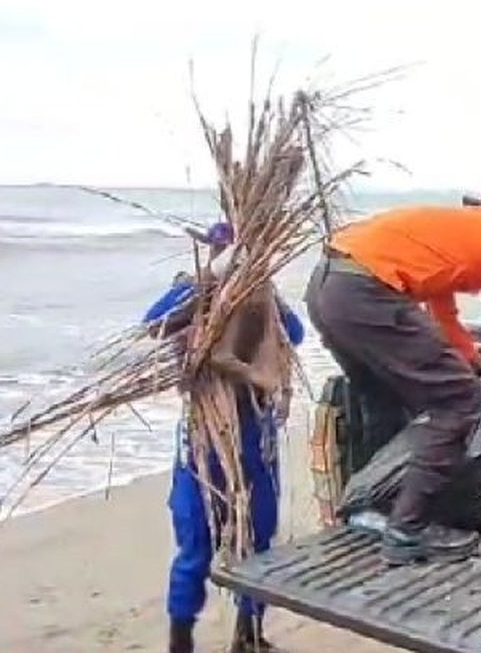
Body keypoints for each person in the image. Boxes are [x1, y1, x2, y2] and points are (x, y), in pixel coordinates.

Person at [305, 177, 481, 565]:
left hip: (326, 288)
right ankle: (406, 530)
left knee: (382, 397)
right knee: (460, 402)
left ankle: (371, 506)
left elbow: (444, 318)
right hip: (366, 292)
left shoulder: (450, 232)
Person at [151, 222, 305, 653]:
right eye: (224, 252)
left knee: (257, 538)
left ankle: (248, 635)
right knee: (194, 543)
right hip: (204, 439)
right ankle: (180, 643)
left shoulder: (264, 299)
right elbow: (153, 323)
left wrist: (262, 293)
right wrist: (209, 279)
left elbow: (294, 334)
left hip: (256, 434)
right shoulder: (193, 294)